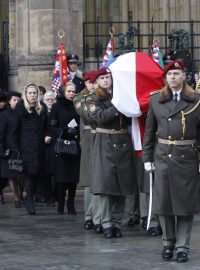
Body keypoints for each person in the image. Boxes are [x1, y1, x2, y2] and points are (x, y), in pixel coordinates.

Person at [142, 60, 200, 263]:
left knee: (185, 204)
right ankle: (168, 242)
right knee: (164, 203)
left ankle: (183, 246)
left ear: (184, 76)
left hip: (187, 157)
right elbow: (149, 132)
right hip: (163, 155)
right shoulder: (157, 100)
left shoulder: (196, 100)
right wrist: (147, 158)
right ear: (165, 78)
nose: (173, 77)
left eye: (176, 73)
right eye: (170, 74)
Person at [85, 67, 136, 238]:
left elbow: (131, 117)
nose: (106, 80)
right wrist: (118, 104)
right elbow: (99, 118)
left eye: (108, 77)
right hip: (104, 143)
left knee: (122, 185)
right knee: (106, 185)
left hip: (122, 143)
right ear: (97, 82)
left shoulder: (120, 96)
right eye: (102, 78)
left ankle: (116, 223)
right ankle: (106, 223)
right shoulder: (93, 98)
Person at [9, 83, 50, 215]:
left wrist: (48, 135)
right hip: (25, 148)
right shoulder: (20, 109)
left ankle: (30, 199)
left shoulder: (42, 109)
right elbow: (13, 131)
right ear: (25, 95)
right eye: (30, 93)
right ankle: (30, 201)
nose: (32, 95)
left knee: (37, 175)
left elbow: (47, 127)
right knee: (29, 176)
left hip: (39, 147)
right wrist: (16, 149)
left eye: (34, 93)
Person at [49, 82, 80, 215]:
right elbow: (51, 126)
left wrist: (76, 131)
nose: (71, 94)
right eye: (69, 91)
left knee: (73, 178)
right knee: (61, 178)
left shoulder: (77, 106)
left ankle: (71, 203)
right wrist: (63, 131)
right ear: (63, 92)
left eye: (73, 91)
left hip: (74, 144)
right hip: (61, 145)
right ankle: (60, 203)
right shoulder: (56, 107)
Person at [0, 91, 22, 208]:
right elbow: (1, 133)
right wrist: (2, 149)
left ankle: (21, 196)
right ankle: (17, 198)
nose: (17, 102)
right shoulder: (5, 115)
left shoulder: (23, 112)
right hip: (9, 148)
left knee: (22, 174)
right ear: (9, 101)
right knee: (12, 175)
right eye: (14, 100)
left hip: (22, 147)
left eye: (18, 100)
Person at [0, 90, 8, 204]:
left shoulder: (7, 112)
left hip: (5, 144)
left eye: (3, 101)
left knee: (4, 174)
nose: (1, 103)